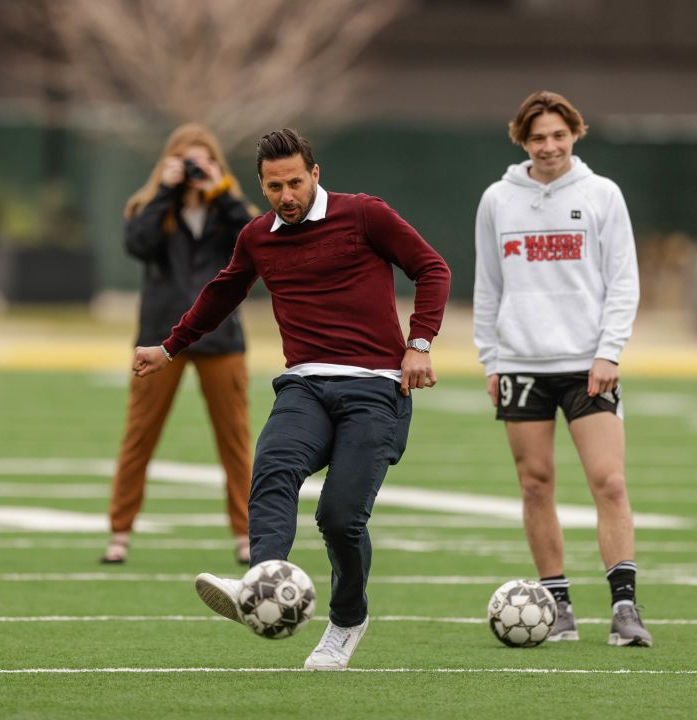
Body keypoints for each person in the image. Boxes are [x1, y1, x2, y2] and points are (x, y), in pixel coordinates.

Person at [133, 128, 451, 670]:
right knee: (273, 468)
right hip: (304, 384)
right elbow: (221, 293)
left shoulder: (365, 215)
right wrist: (169, 347)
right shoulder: (258, 236)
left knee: (339, 516)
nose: (287, 196)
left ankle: (347, 619)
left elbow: (432, 268)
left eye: (296, 183)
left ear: (316, 175)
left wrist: (419, 343)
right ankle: (260, 581)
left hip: (375, 387)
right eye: (275, 186)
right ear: (260, 185)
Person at [473, 91, 651, 647]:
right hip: (521, 363)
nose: (549, 146)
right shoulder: (498, 200)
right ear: (522, 141)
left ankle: (625, 609)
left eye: (558, 135)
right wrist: (491, 360)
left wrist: (609, 351)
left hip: (587, 366)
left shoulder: (602, 195)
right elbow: (487, 288)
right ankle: (558, 606)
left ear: (575, 133)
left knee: (610, 481)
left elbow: (624, 281)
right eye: (538, 138)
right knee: (534, 485)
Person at [103, 124, 256, 566]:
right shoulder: (149, 207)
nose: (192, 171)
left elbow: (257, 240)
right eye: (185, 161)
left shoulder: (230, 208)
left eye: (201, 161)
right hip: (160, 336)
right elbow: (138, 245)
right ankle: (120, 532)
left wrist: (220, 190)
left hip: (220, 334)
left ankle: (247, 533)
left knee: (235, 439)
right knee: (140, 436)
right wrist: (167, 193)